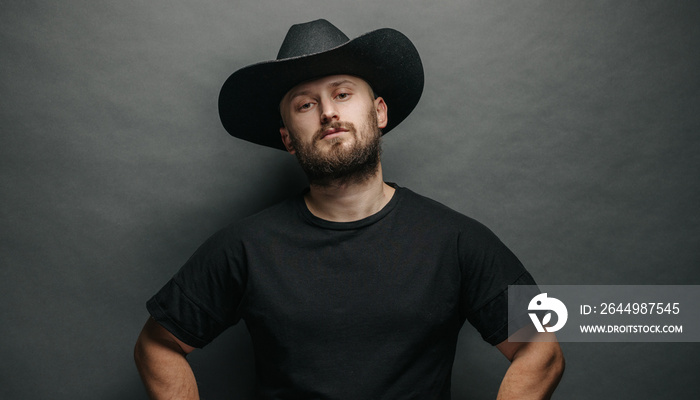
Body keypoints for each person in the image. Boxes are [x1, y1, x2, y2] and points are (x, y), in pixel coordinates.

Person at [134, 19, 564, 399]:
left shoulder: (454, 240)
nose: (328, 113)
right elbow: (157, 346)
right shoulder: (245, 247)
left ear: (378, 112)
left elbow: (539, 347)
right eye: (306, 104)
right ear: (287, 137)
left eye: (342, 93)